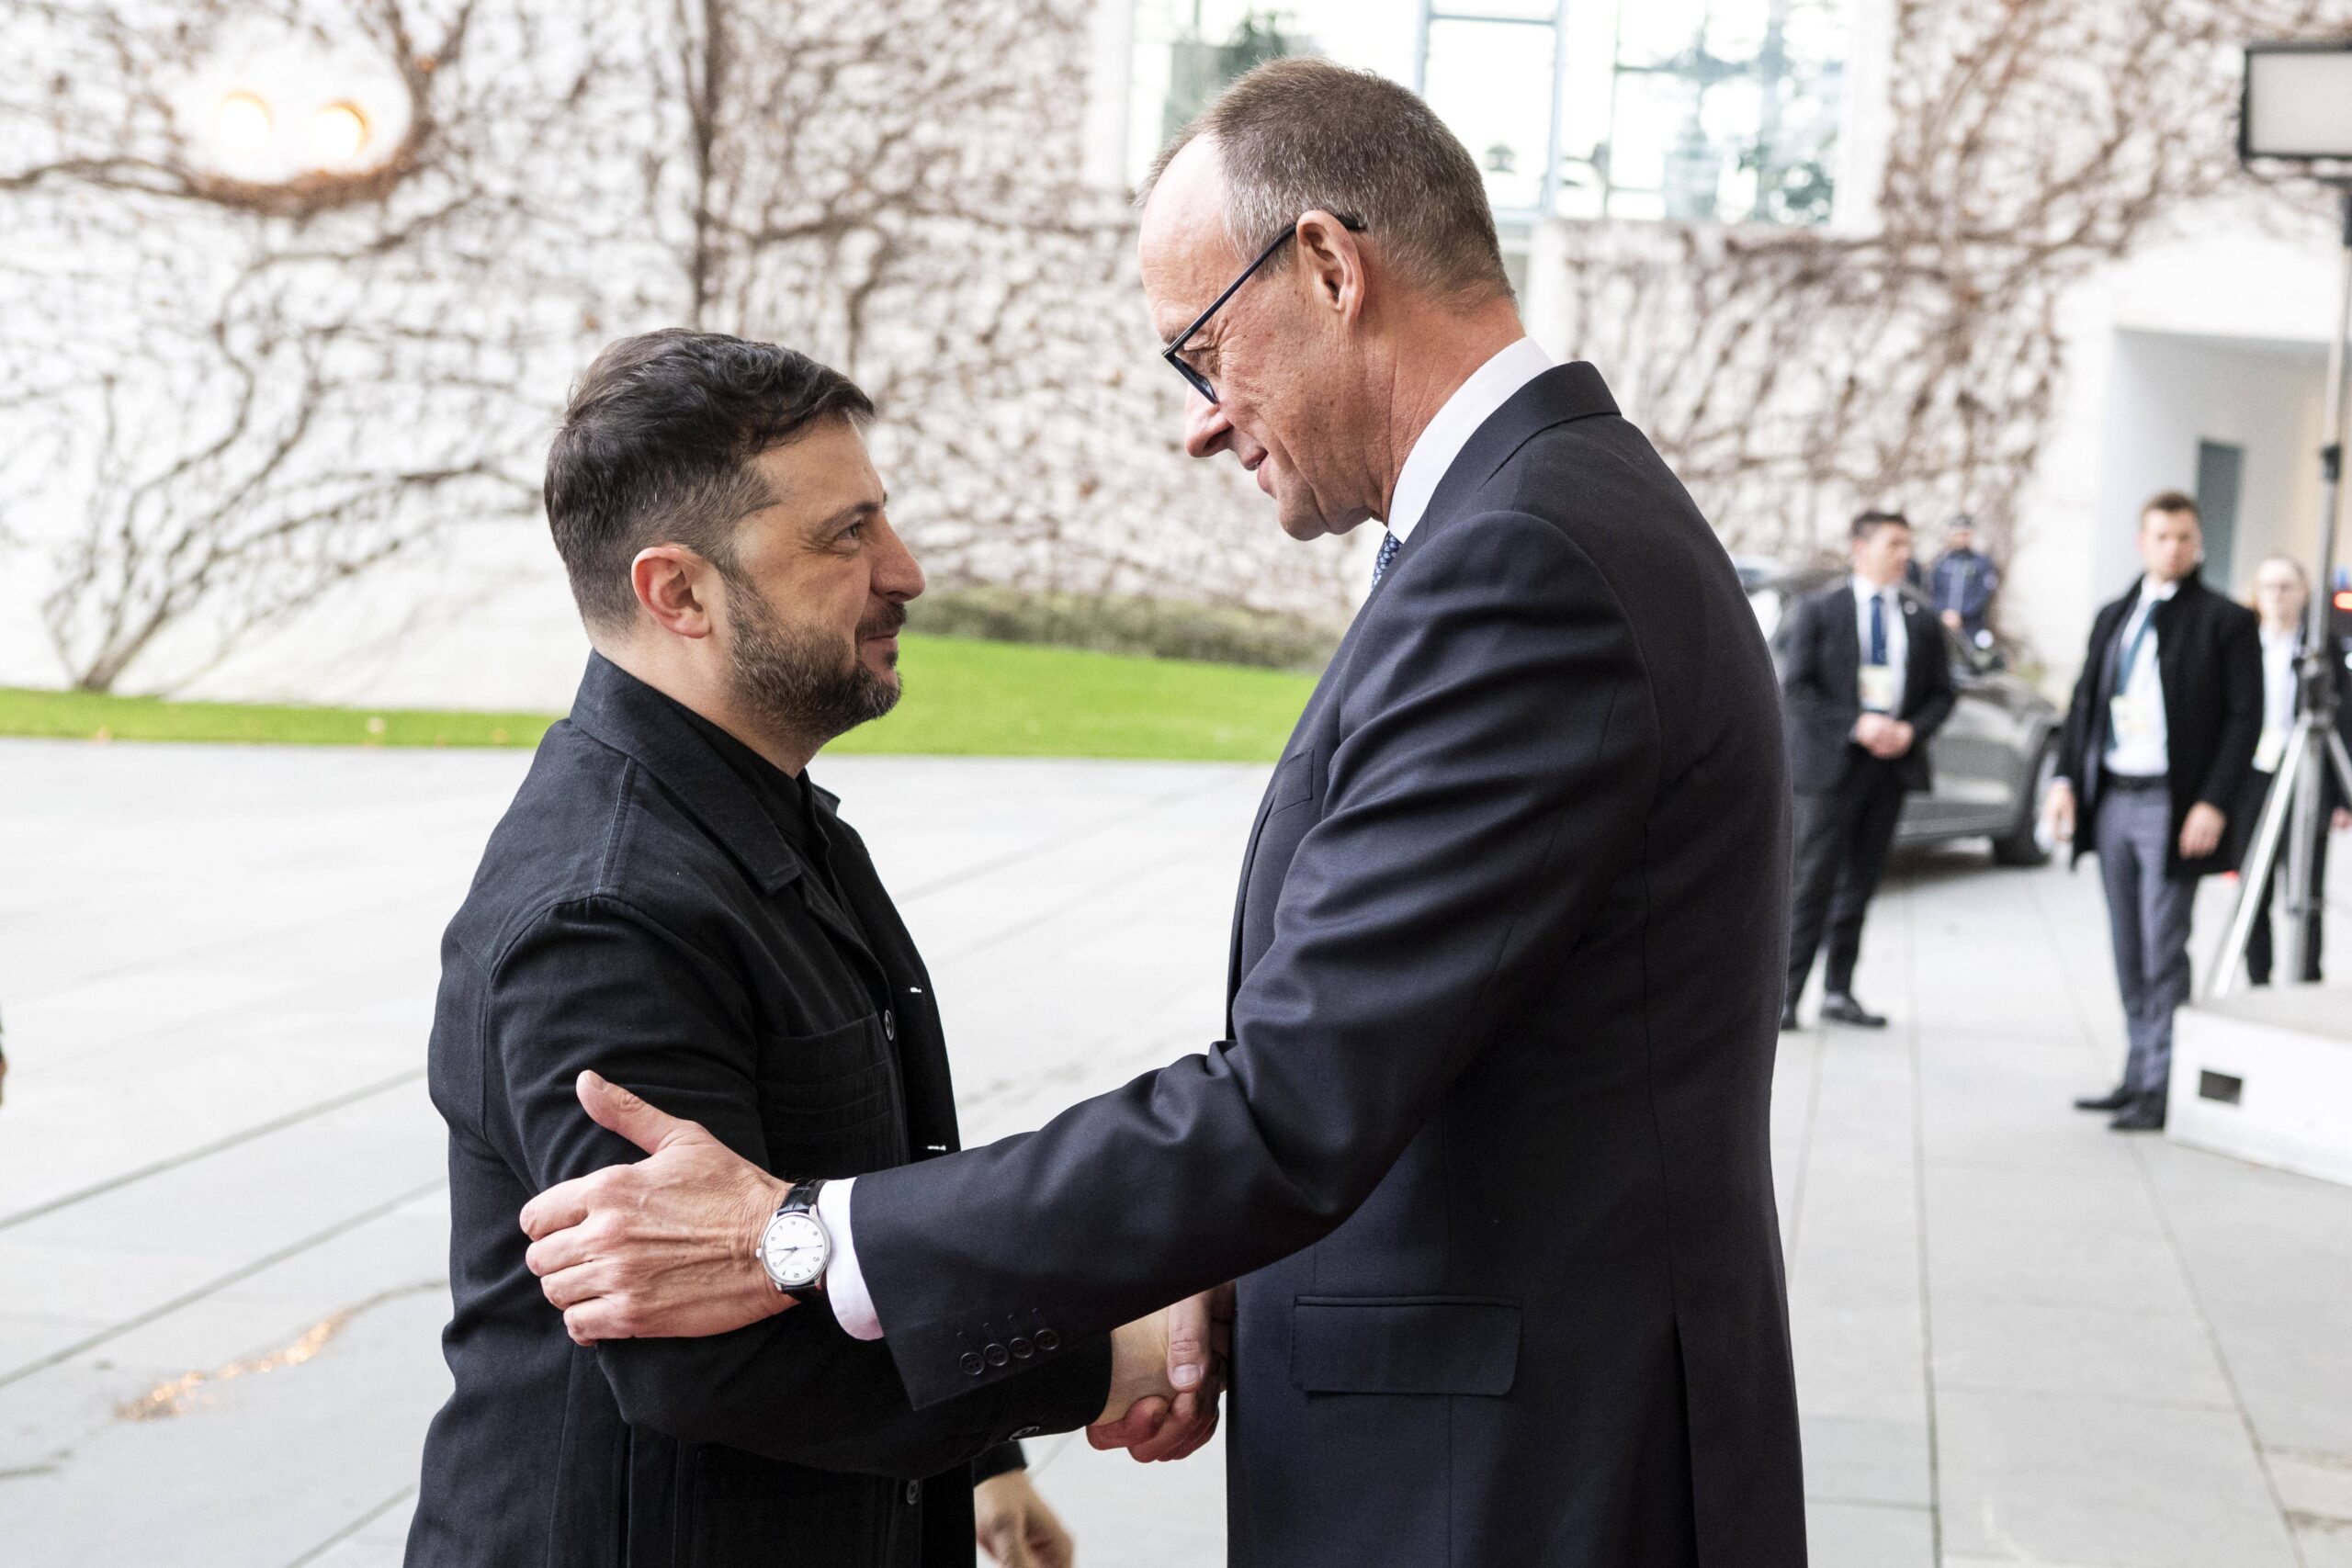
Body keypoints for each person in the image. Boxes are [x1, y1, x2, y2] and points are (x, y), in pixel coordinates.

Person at [514, 61, 1807, 1568]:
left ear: (1327, 266)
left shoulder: (1524, 562)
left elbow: (1293, 1101)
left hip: (1519, 1484)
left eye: (1204, 353)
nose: (1204, 423)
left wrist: (801, 1236)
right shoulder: (1538, 521)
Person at [404, 332, 1139, 1568]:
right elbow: (708, 1355)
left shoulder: (760, 814)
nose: (904, 571)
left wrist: (985, 1461)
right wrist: (1112, 1354)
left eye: (880, 518)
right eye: (844, 536)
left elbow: (850, 1201)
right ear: (678, 592)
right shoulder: (607, 912)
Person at [2047, 492, 2262, 1132]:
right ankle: (2136, 1070)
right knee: (2127, 945)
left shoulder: (2225, 620)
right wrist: (2064, 779)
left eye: (2185, 537)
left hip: (2174, 804)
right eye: (2163, 536)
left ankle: (2159, 1084)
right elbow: (2084, 703)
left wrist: (2212, 802)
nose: (2174, 548)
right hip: (2113, 797)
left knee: (2162, 946)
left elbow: (2244, 718)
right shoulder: (2115, 614)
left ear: (2198, 543)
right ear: (2143, 541)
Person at [1777, 511, 1957, 1030]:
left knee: (1859, 886)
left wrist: (1910, 731)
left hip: (1889, 771)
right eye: (1893, 544)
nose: (1905, 554)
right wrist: (1857, 724)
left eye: (1908, 544)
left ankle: (1839, 991)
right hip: (1829, 771)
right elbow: (1797, 688)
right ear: (1860, 547)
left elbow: (1942, 693)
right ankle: (1785, 997)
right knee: (1811, 884)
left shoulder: (1920, 617)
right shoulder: (1820, 610)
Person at [2236, 555, 2352, 985]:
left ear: (2304, 592)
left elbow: (2346, 722)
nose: (2277, 595)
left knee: (2307, 890)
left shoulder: (2324, 651)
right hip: (2254, 778)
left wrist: (2341, 798)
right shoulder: (2242, 646)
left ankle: (2306, 979)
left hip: (2308, 777)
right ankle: (2258, 981)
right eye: (2269, 586)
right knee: (2253, 889)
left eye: (2286, 586)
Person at [1928, 514, 2000, 644]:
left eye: (1965, 534)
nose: (1961, 538)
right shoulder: (1940, 562)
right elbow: (1932, 591)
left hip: (1971, 627)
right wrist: (1944, 613)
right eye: (1957, 534)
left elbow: (1983, 594)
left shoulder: (1982, 562)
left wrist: (1961, 614)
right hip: (1943, 624)